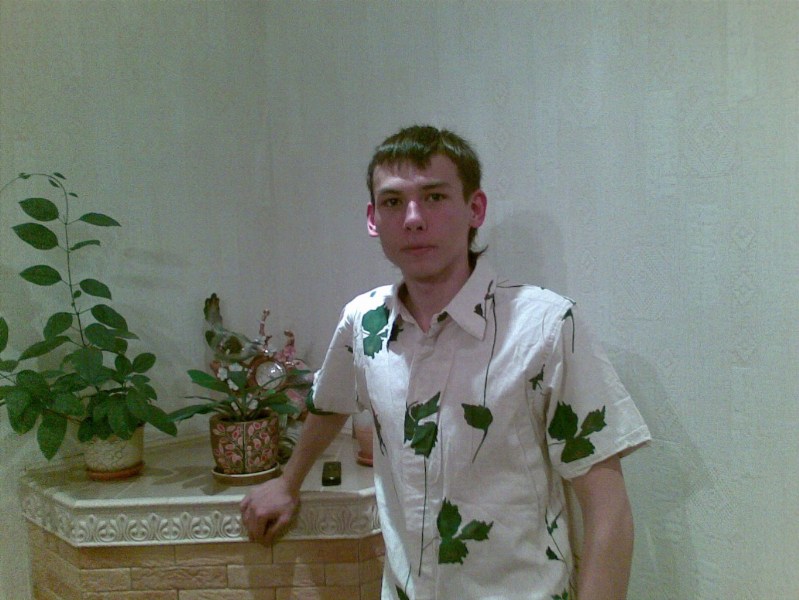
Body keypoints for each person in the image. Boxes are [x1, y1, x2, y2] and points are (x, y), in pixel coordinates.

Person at [241, 125, 651, 600]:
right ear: (373, 219)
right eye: (393, 202)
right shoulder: (363, 322)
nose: (413, 218)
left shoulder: (547, 327)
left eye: (434, 197)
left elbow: (608, 511)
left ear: (475, 208)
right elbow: (330, 401)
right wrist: (288, 482)